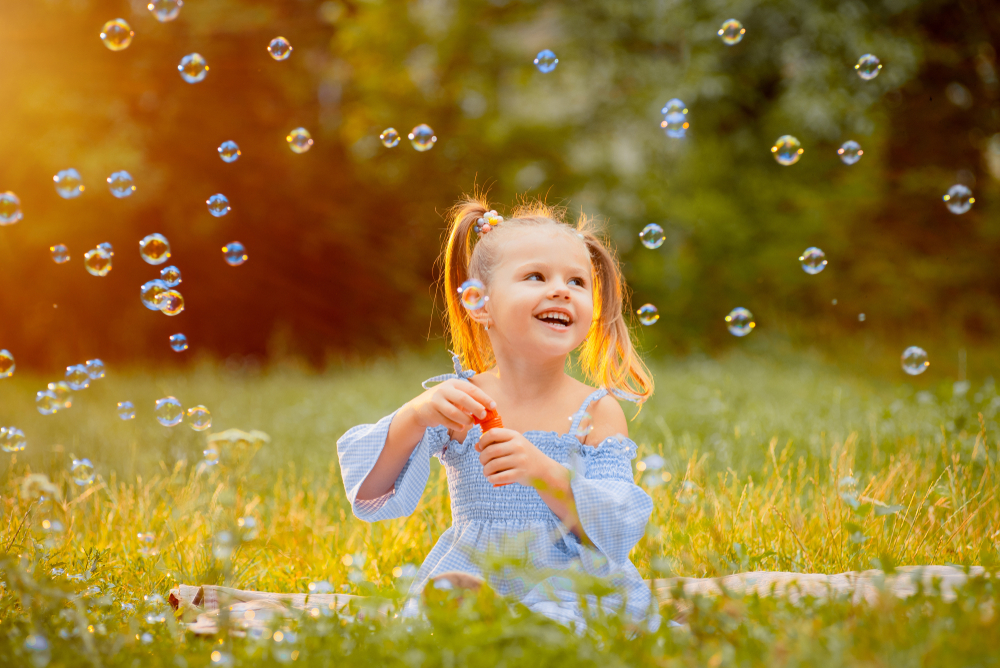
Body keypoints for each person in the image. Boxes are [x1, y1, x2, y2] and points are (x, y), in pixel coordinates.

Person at [337, 196, 657, 628]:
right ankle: (480, 625)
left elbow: (614, 528)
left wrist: (543, 472)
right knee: (428, 621)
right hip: (476, 569)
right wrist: (414, 418)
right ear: (480, 304)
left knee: (559, 622)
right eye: (536, 276)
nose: (561, 290)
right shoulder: (460, 402)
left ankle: (527, 635)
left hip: (566, 579)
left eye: (578, 282)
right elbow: (370, 492)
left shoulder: (596, 411)